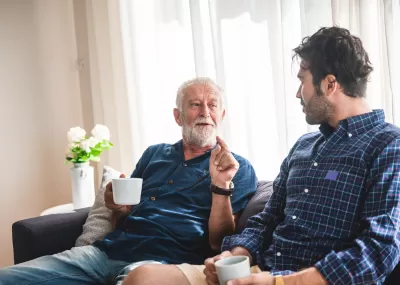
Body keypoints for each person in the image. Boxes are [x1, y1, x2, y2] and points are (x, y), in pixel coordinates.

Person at [154, 27, 400, 285]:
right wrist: (237, 255)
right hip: (261, 271)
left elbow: (380, 249)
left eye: (301, 80)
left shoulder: (388, 145)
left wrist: (279, 283)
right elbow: (268, 220)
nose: (297, 93)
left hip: (304, 281)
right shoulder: (304, 146)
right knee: (143, 277)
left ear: (329, 84)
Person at [0, 77, 257, 285]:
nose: (205, 112)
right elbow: (124, 218)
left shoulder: (237, 167)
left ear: (222, 114)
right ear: (178, 116)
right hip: (104, 253)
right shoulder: (154, 154)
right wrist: (119, 209)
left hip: (162, 265)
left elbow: (219, 241)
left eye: (212, 105)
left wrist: (221, 186)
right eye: (194, 105)